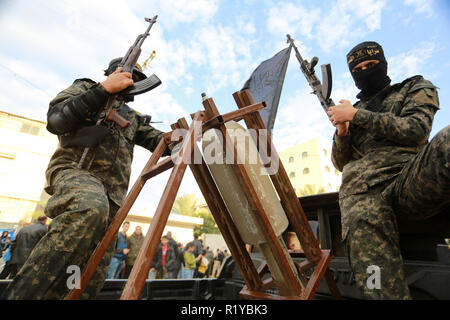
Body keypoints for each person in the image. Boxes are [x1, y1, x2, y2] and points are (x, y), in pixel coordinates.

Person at [3, 58, 170, 300]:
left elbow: (161, 142)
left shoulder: (132, 117)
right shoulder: (86, 89)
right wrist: (104, 89)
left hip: (113, 196)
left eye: (136, 79)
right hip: (75, 171)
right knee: (89, 206)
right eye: (129, 74)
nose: (132, 81)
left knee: (92, 271)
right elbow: (56, 120)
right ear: (114, 73)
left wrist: (190, 135)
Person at [327, 41, 449, 299]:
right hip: (365, 194)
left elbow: (416, 129)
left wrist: (356, 116)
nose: (365, 71)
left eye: (370, 65)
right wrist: (342, 131)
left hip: (409, 178)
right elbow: (340, 163)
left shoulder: (413, 87)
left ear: (383, 63)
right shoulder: (351, 112)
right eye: (358, 69)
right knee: (375, 280)